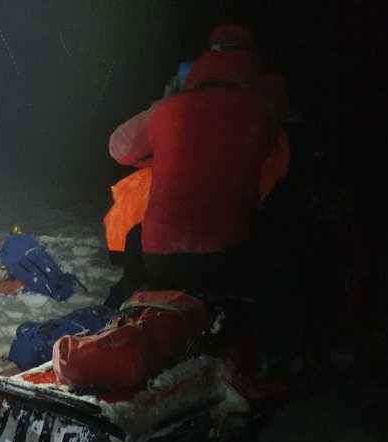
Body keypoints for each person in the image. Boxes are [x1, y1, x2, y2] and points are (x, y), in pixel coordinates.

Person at [106, 24, 294, 369]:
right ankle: (277, 353)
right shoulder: (262, 112)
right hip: (229, 257)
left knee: (136, 236)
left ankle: (119, 317)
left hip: (160, 257)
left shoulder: (169, 109)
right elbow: (278, 169)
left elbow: (118, 147)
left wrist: (164, 105)